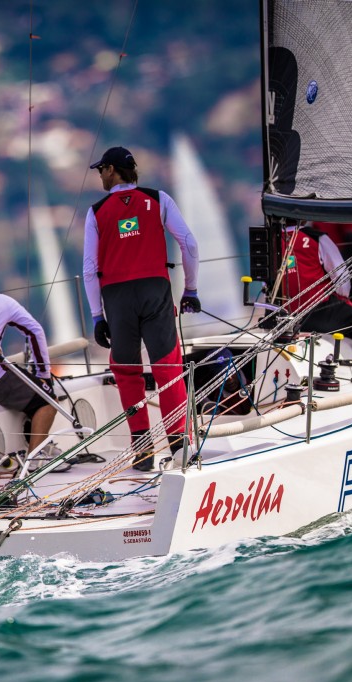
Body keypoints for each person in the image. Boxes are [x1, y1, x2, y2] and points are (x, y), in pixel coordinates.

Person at [83, 146, 200, 471]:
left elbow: (90, 268)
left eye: (101, 170)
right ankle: (180, 448)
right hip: (155, 290)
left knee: (126, 370)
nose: (99, 176)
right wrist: (190, 288)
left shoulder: (96, 212)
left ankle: (143, 451)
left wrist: (97, 315)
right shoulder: (158, 199)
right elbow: (189, 243)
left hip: (117, 298)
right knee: (167, 366)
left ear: (111, 170)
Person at [0, 262, 59, 461]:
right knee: (47, 401)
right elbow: (35, 331)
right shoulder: (2, 301)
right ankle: (35, 458)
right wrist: (44, 376)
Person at [281, 222, 352, 358]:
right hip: (323, 311)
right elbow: (341, 277)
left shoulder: (272, 241)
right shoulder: (316, 237)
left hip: (286, 318)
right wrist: (343, 299)